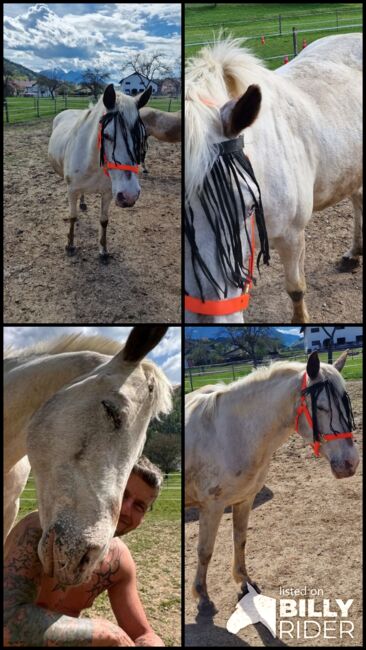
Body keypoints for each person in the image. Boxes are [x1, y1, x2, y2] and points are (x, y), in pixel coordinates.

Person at [4, 456, 165, 647]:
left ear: (143, 517)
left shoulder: (118, 561)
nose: (126, 509)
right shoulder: (39, 531)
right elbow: (8, 625)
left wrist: (150, 642)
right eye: (123, 494)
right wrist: (107, 632)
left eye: (139, 506)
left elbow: (143, 633)